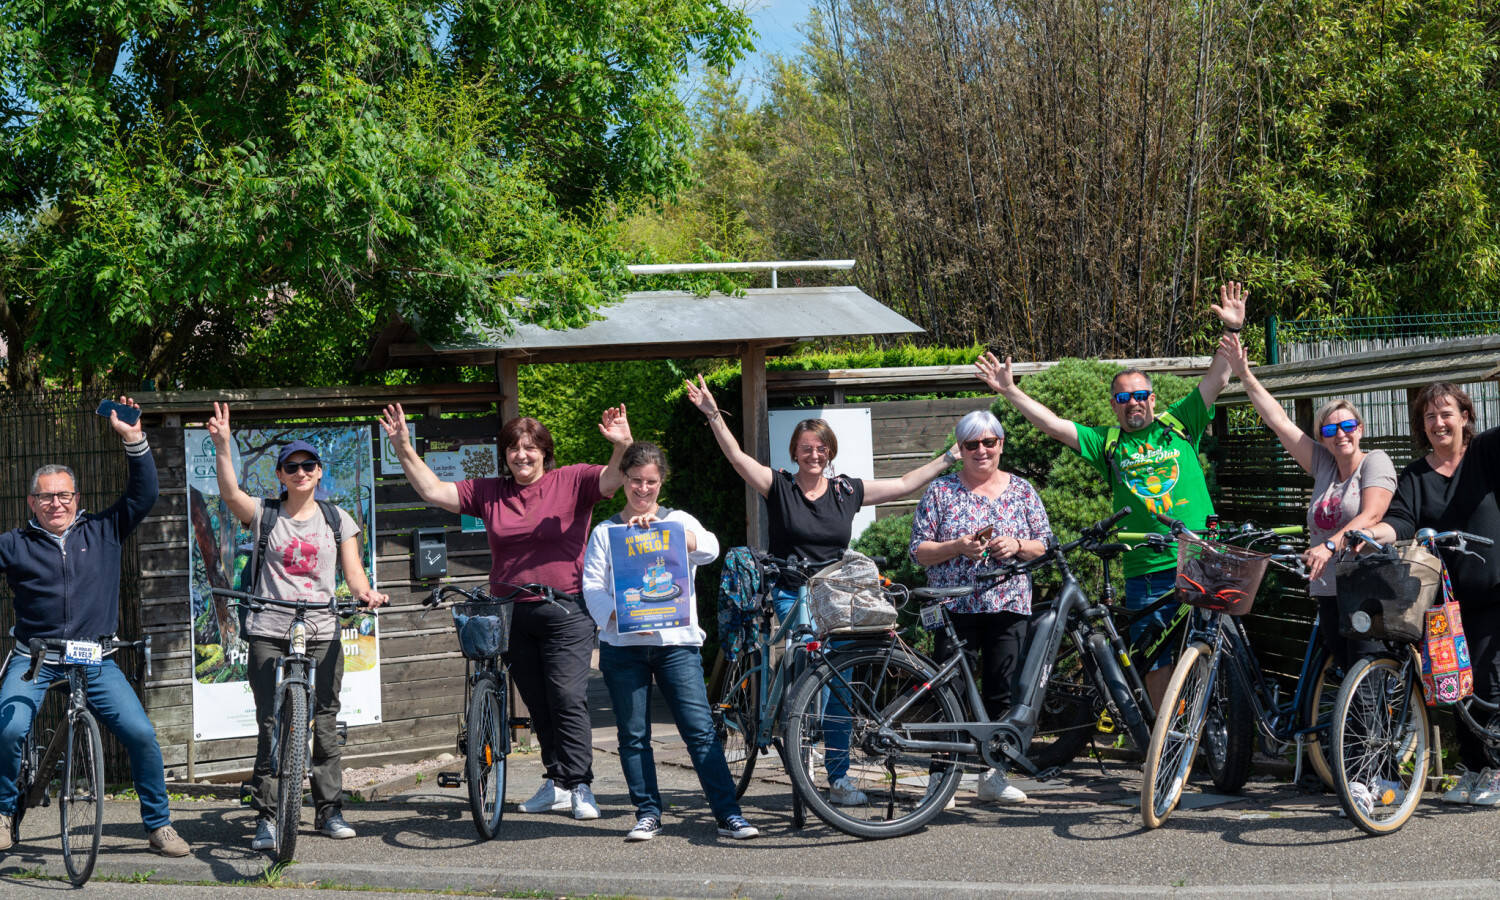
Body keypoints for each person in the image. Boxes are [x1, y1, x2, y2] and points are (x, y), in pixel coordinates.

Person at [685, 376, 956, 804]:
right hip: (792, 591)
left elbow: (904, 483)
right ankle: (798, 739)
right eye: (807, 447)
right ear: (794, 451)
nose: (814, 453)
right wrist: (713, 414)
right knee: (806, 670)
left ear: (830, 451)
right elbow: (737, 458)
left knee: (840, 685)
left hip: (838, 597)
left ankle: (839, 777)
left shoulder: (847, 490)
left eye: (821, 447)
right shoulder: (780, 486)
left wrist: (949, 457)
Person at [975, 282, 1247, 705]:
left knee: (1214, 647)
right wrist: (1010, 390)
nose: (1133, 403)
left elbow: (1219, 376)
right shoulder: (1107, 443)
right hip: (1143, 565)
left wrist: (1232, 330)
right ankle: (1166, 740)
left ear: (1153, 399)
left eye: (1140, 395)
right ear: (1114, 404)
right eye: (1124, 398)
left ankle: (1216, 734)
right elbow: (1052, 424)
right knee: (1156, 657)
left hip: (1198, 555)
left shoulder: (1180, 424)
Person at [379, 402, 632, 820]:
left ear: (544, 452)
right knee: (537, 701)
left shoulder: (571, 481)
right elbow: (432, 491)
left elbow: (611, 478)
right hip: (510, 613)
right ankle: (555, 782)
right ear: (506, 455)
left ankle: (581, 785)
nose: (522, 455)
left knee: (568, 697)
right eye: (514, 448)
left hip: (565, 608)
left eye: (531, 448)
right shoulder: (490, 491)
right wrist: (404, 446)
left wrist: (622, 445)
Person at [0, 397, 189, 857]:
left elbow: (143, 496)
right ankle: (4, 813)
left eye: (64, 495)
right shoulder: (13, 544)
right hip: (35, 659)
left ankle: (159, 825)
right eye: (46, 496)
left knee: (142, 734)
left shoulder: (103, 530)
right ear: (32, 501)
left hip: (94, 658)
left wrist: (134, 440)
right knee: (8, 729)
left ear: (77, 499)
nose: (55, 503)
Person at [207, 404, 388, 849]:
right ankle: (267, 816)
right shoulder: (266, 514)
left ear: (320, 473)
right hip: (270, 626)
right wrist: (222, 445)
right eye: (293, 467)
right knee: (271, 722)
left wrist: (366, 593)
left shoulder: (337, 518)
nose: (302, 472)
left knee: (325, 721)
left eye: (309, 465)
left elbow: (354, 573)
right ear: (281, 475)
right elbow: (231, 494)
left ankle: (329, 810)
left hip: (322, 629)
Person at [581, 442, 759, 841]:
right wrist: (620, 618)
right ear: (623, 480)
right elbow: (591, 587)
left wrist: (677, 536)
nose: (643, 490)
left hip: (676, 645)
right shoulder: (606, 532)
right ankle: (647, 813)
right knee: (633, 734)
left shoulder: (677, 520)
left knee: (698, 729)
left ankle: (728, 814)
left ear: (662, 483)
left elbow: (711, 548)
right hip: (623, 647)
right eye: (635, 481)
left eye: (651, 482)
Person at [1223, 337, 1395, 671]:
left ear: (1360, 429)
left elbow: (1372, 513)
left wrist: (1330, 545)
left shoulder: (1375, 461)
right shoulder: (1323, 465)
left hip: (1367, 589)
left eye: (1347, 426)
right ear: (1322, 436)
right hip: (1328, 590)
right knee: (1345, 672)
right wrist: (1245, 375)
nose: (1340, 434)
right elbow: (1279, 421)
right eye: (1331, 429)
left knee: (1368, 675)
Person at [1364, 382, 1500, 806]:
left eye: (1446, 413)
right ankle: (1474, 769)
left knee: (1489, 681)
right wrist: (1371, 532)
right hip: (1443, 600)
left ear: (1464, 416)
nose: (1438, 423)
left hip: (1493, 592)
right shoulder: (1415, 475)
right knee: (1455, 682)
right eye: (1429, 416)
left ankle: (1495, 772)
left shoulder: (1486, 455)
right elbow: (1401, 520)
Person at [910, 410, 1052, 805]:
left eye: (989, 442)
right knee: (947, 693)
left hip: (1007, 604)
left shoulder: (1023, 490)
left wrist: (1017, 546)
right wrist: (956, 546)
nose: (981, 450)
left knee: (1002, 692)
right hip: (953, 608)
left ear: (1001, 445)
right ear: (961, 449)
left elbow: (1045, 543)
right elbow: (918, 552)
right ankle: (943, 778)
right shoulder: (940, 492)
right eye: (971, 444)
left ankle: (993, 775)